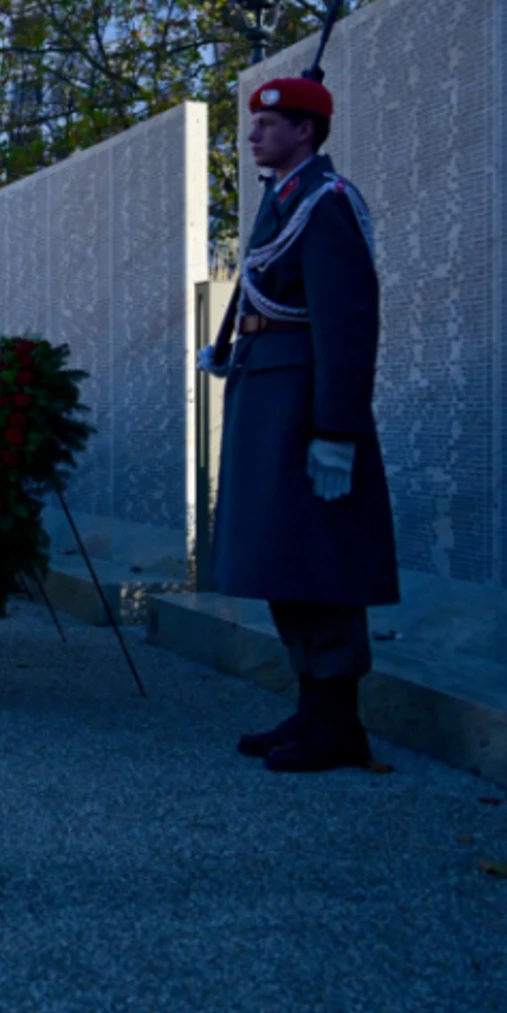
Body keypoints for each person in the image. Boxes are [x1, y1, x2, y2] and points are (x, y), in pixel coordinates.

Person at [203, 75, 399, 774]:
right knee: (286, 561)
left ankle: (339, 719)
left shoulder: (327, 203)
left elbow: (348, 324)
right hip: (268, 394)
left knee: (322, 561)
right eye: (255, 124)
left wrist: (337, 432)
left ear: (306, 133)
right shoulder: (286, 199)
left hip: (306, 405)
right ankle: (314, 703)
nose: (254, 134)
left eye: (269, 124)